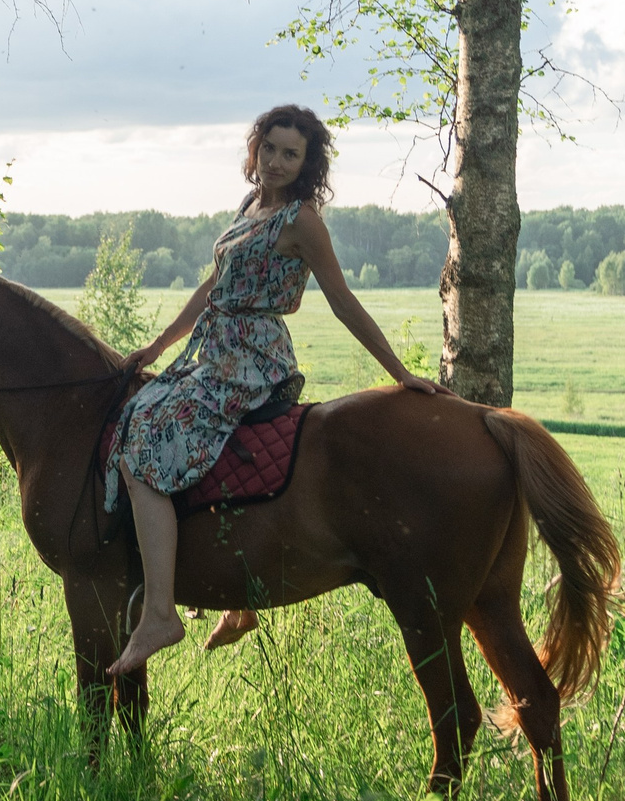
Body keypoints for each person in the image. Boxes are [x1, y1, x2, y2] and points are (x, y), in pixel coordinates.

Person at [105, 104, 427, 674]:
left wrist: (400, 372)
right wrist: (156, 347)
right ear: (255, 149)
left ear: (307, 163)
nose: (275, 162)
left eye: (290, 154)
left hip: (253, 362)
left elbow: (342, 300)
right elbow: (214, 287)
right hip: (214, 353)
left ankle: (159, 613)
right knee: (137, 410)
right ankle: (234, 599)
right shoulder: (251, 205)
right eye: (269, 148)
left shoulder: (302, 222)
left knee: (146, 442)